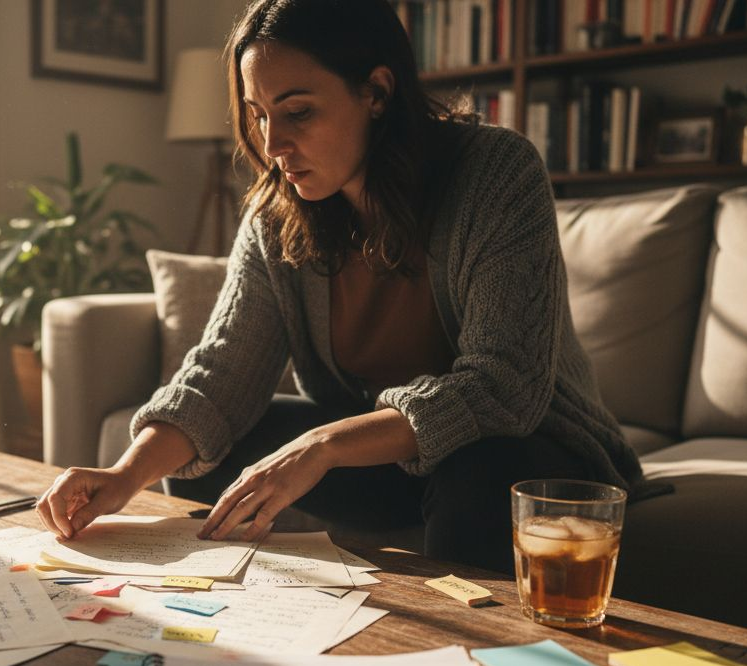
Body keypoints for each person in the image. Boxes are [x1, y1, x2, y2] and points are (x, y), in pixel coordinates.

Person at [36, 0, 642, 575]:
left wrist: (322, 445)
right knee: (217, 447)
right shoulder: (276, 217)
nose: (272, 146)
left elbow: (503, 388)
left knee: (476, 466)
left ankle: (468, 655)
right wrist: (122, 475)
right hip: (386, 466)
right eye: (259, 113)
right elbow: (220, 378)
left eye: (297, 112)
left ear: (376, 92)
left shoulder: (497, 174)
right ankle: (239, 616)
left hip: (526, 454)